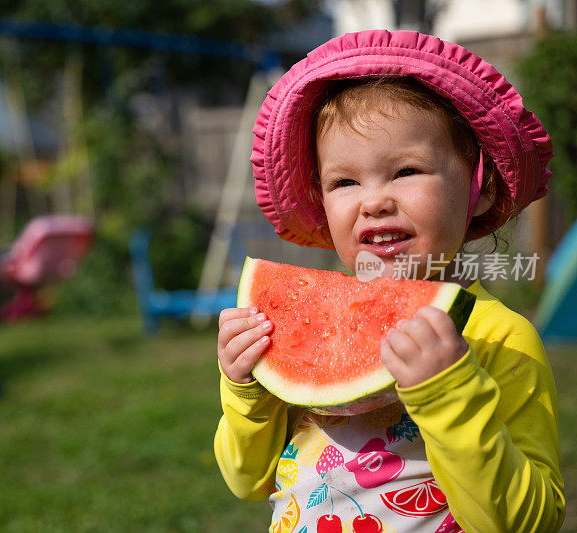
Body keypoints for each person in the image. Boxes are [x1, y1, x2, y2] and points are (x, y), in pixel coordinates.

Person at [214, 30, 565, 532]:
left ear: (479, 191)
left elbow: (527, 522)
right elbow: (246, 480)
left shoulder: (502, 339)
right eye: (345, 182)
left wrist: (449, 393)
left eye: (405, 170)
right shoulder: (304, 326)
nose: (373, 201)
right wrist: (246, 389)